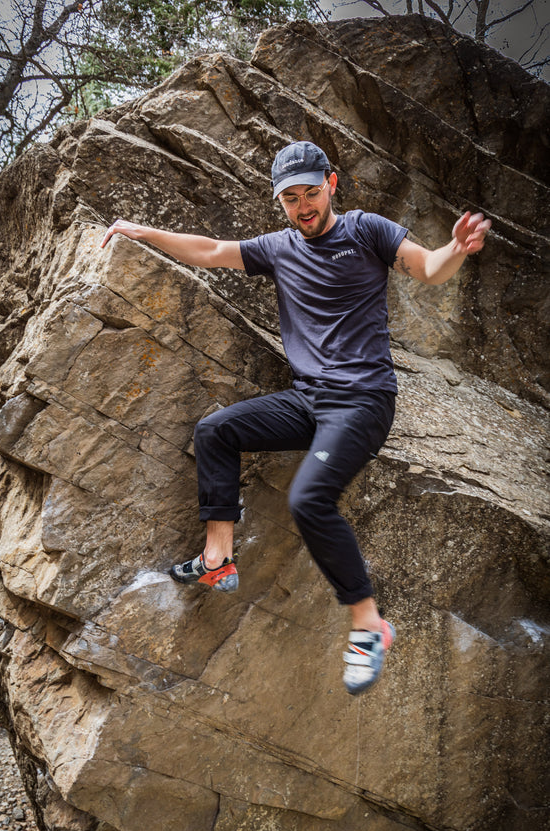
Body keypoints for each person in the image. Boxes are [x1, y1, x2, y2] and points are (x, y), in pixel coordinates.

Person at [101, 140, 491, 695]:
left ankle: (368, 625)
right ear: (279, 201)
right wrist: (142, 232)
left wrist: (454, 247)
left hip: (362, 401)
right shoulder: (278, 247)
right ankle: (218, 556)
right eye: (290, 198)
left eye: (310, 192)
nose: (303, 206)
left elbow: (428, 269)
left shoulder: (365, 230)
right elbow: (210, 250)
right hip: (308, 399)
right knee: (217, 429)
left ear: (331, 183)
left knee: (308, 499)